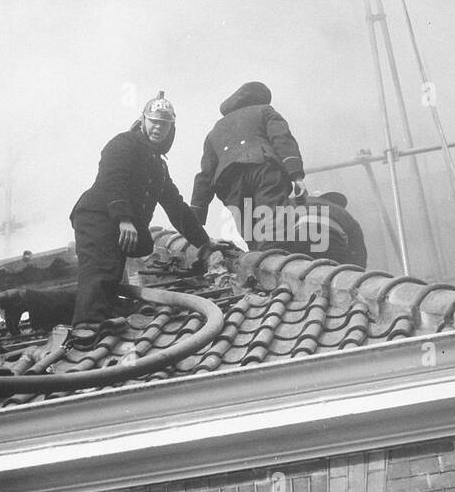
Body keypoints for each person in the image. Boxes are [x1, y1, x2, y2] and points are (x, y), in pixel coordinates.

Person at [64, 92, 210, 329]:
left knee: (107, 285)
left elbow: (176, 207)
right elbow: (113, 177)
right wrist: (124, 218)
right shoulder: (124, 143)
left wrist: (205, 243)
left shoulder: (158, 166)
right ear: (142, 120)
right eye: (154, 121)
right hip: (98, 218)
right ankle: (88, 326)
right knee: (99, 274)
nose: (158, 128)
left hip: (117, 226)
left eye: (165, 124)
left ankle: (29, 302)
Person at [189, 81, 306, 239]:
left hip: (229, 182)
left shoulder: (216, 129)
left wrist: (195, 215)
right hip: (263, 170)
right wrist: (296, 176)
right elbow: (282, 140)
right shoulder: (265, 110)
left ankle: (258, 259)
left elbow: (205, 175)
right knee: (273, 229)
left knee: (251, 235)